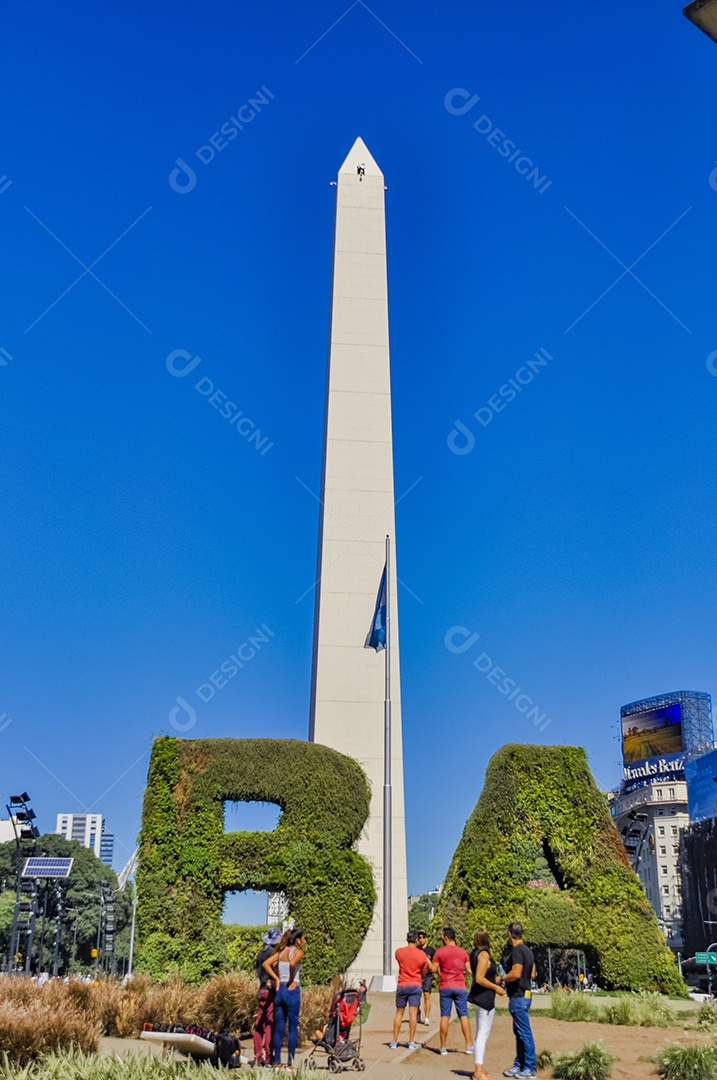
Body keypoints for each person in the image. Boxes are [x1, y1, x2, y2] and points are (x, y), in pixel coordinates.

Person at [264, 927, 306, 1069]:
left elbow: (266, 964)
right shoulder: (298, 952)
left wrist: (277, 979)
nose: (304, 941)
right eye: (303, 938)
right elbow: (293, 963)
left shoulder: (281, 953)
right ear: (298, 940)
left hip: (280, 990)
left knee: (279, 1029)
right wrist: (291, 979)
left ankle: (277, 1063)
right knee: (293, 1028)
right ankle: (290, 1063)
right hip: (292, 991)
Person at [429, 927, 472, 1056]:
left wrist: (427, 960)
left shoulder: (440, 952)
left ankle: (442, 1047)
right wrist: (461, 972)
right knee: (463, 1015)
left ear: (446, 938)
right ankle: (469, 1046)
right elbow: (469, 971)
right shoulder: (463, 952)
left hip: (446, 986)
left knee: (445, 1016)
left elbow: (433, 969)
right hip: (459, 986)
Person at [468, 929, 505, 1080]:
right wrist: (496, 987)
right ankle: (478, 1071)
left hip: (479, 997)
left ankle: (480, 1068)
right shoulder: (484, 954)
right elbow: (479, 978)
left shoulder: (474, 953)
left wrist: (496, 980)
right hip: (484, 999)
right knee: (483, 1034)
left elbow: (481, 975)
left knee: (481, 1033)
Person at [501, 922, 536, 1080]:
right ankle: (519, 1064)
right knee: (520, 1033)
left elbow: (515, 973)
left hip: (518, 996)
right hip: (526, 995)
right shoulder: (528, 950)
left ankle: (529, 1067)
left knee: (524, 1033)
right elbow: (533, 974)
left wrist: (502, 978)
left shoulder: (516, 951)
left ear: (510, 934)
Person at [389, 930, 429, 1050]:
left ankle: (394, 1041)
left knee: (399, 1013)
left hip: (402, 984)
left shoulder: (399, 952)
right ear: (416, 940)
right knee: (413, 1014)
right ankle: (411, 1041)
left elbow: (399, 961)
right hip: (415, 985)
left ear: (407, 939)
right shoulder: (421, 954)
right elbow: (424, 970)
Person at [253, 927, 283, 1065]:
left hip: (261, 990)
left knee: (259, 1025)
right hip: (270, 991)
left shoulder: (260, 953)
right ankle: (269, 1058)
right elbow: (276, 968)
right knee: (270, 1024)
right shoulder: (272, 953)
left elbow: (257, 972)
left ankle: (258, 1057)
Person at [416, 930, 435, 1026]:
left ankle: (427, 1017)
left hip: (428, 976)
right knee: (416, 996)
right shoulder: (416, 949)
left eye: (423, 937)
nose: (421, 939)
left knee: (426, 996)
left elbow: (434, 963)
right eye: (420, 937)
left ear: (426, 939)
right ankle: (417, 1013)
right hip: (418, 975)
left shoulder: (431, 950)